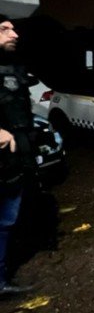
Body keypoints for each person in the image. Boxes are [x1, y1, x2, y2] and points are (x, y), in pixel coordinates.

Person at [0, 15, 35, 296]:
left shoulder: (13, 67)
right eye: (4, 29)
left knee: (8, 220)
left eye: (13, 28)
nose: (14, 34)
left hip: (14, 159)